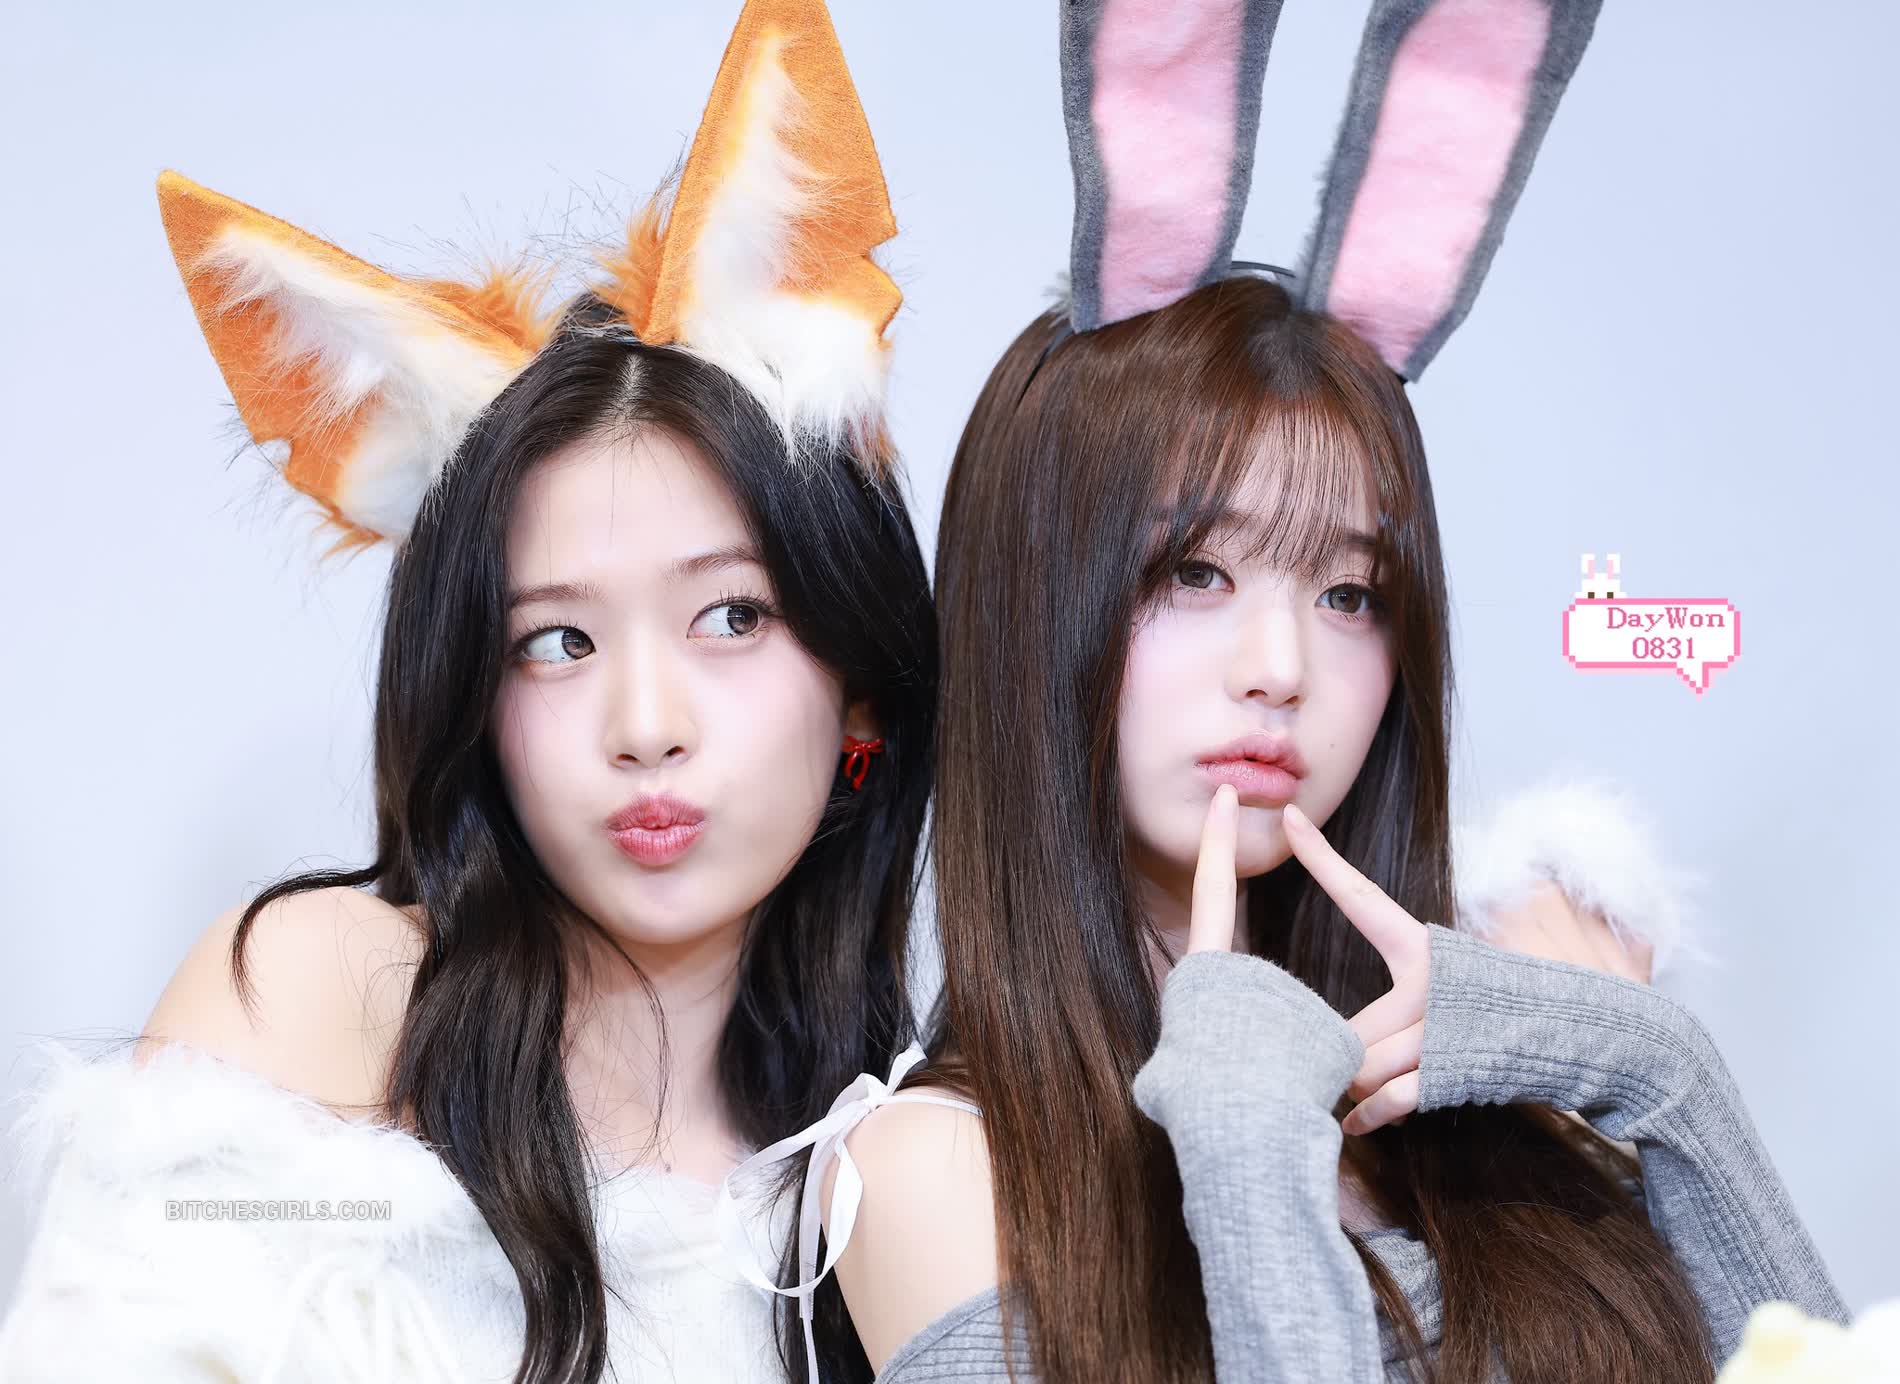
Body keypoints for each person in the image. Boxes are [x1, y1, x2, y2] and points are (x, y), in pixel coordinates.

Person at [722, 1, 1848, 1380]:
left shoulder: (1504, 1107)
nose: (1282, 669)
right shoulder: (935, 1175)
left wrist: (1657, 1072)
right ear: (1037, 601)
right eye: (1194, 573)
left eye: (1350, 593)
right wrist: (1247, 1145)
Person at [0, 2, 934, 1380]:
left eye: (732, 617)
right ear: (474, 705)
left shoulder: (894, 1176)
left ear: (862, 699)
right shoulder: (327, 996)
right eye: (556, 643)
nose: (647, 726)